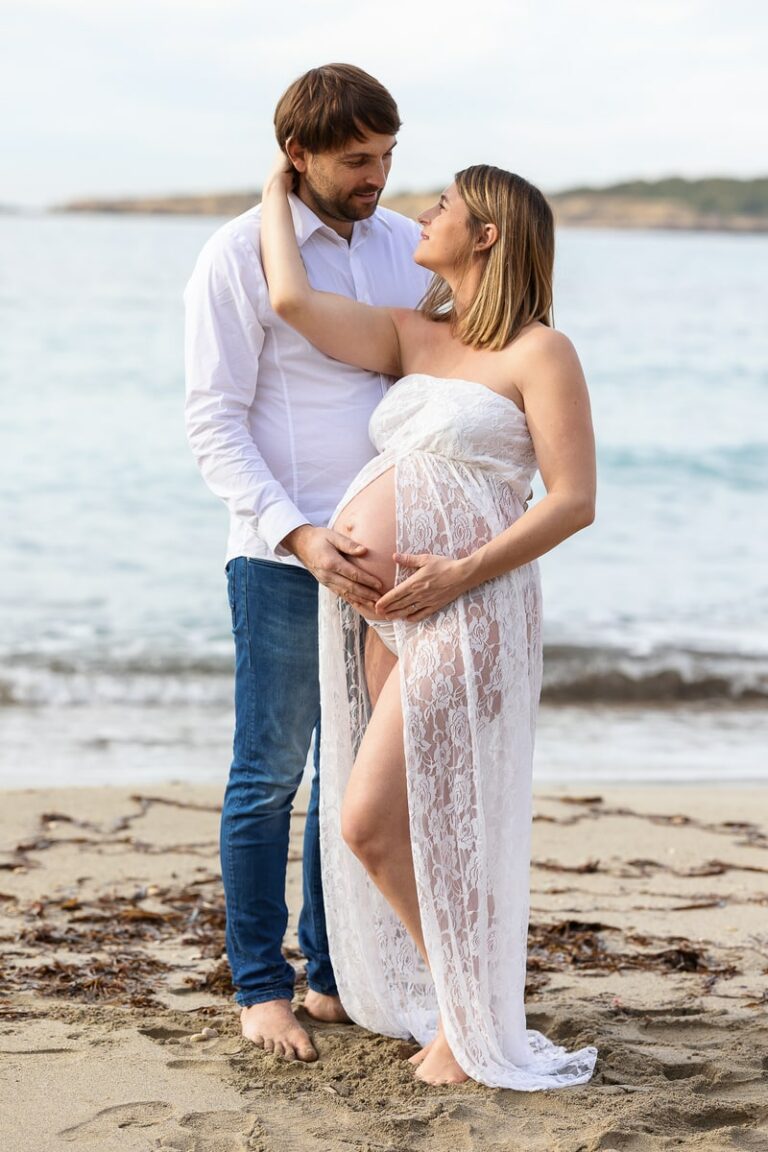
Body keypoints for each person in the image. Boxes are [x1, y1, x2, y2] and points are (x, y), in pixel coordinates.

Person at [259, 157, 599, 1088]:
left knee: (372, 823)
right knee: (419, 825)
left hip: (473, 605)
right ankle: (460, 1009)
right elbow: (290, 300)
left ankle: (468, 1017)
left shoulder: (541, 352)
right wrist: (277, 183)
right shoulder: (413, 333)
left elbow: (573, 501)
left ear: (486, 235)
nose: (424, 211)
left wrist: (461, 572)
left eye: (444, 204)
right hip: (386, 618)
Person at [184, 64, 431, 1062]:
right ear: (299, 154)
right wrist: (297, 533)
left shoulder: (410, 243)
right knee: (268, 776)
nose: (375, 175)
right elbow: (212, 422)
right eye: (355, 159)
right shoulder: (238, 254)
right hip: (283, 559)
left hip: (387, 562)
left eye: (386, 155)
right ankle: (260, 986)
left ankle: (332, 975)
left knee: (352, 779)